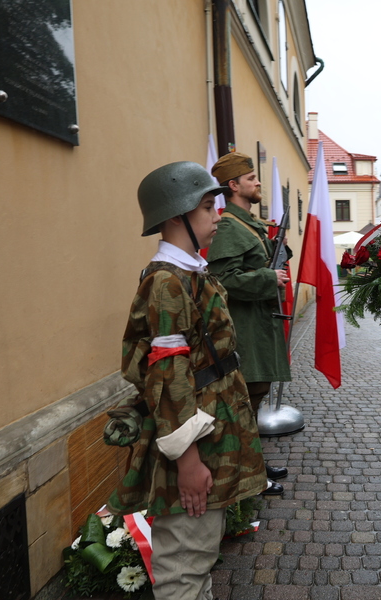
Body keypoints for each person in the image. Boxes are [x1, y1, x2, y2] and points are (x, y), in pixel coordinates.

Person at [107, 161, 266, 600]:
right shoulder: (167, 282)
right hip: (192, 442)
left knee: (197, 561)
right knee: (183, 568)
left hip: (209, 431)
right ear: (177, 215)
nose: (218, 216)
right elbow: (166, 374)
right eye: (208, 207)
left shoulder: (188, 273)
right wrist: (188, 460)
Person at [207, 152, 292, 495]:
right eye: (251, 178)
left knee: (254, 399)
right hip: (246, 327)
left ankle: (253, 462)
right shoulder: (229, 226)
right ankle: (248, 474)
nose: (257, 182)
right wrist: (268, 277)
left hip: (260, 323)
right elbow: (223, 277)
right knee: (246, 400)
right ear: (233, 185)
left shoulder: (248, 224)